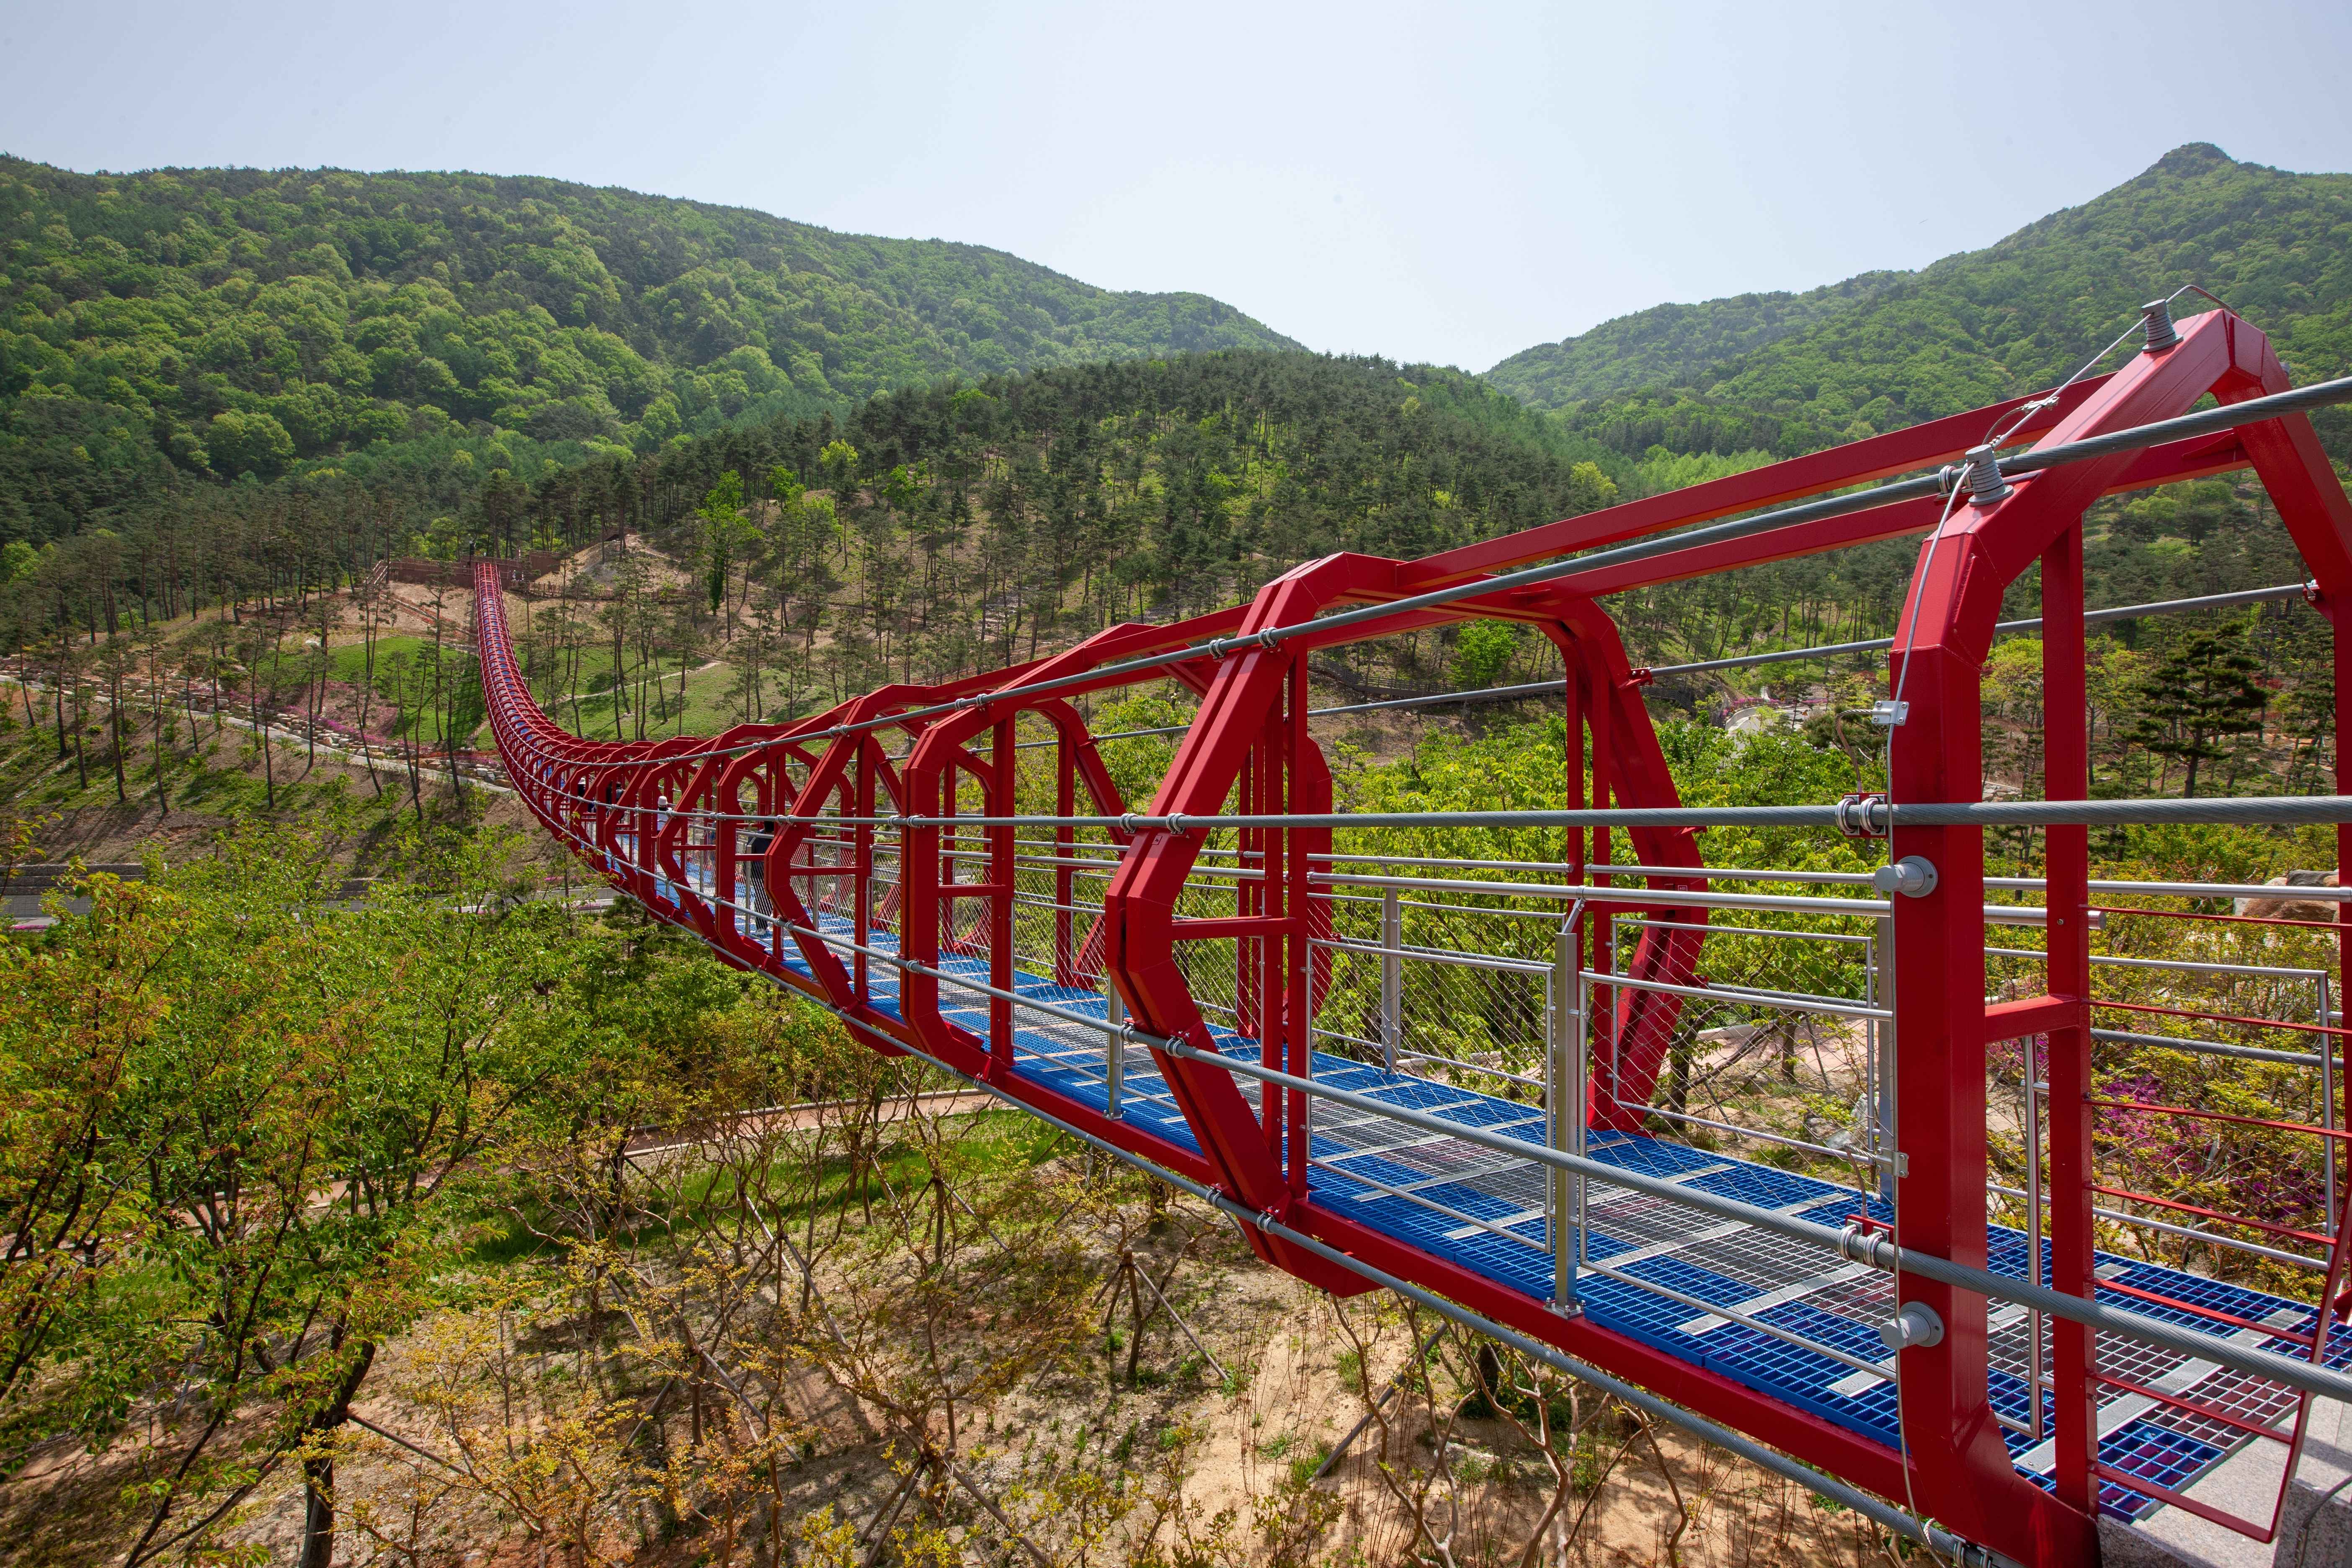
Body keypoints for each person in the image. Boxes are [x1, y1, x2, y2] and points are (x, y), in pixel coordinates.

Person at [745, 818, 778, 939]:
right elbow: (749, 855)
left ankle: (768, 923)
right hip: (760, 874)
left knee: (771, 899)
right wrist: (747, 872)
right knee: (762, 899)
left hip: (772, 874)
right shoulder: (757, 837)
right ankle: (761, 926)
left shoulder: (758, 836)